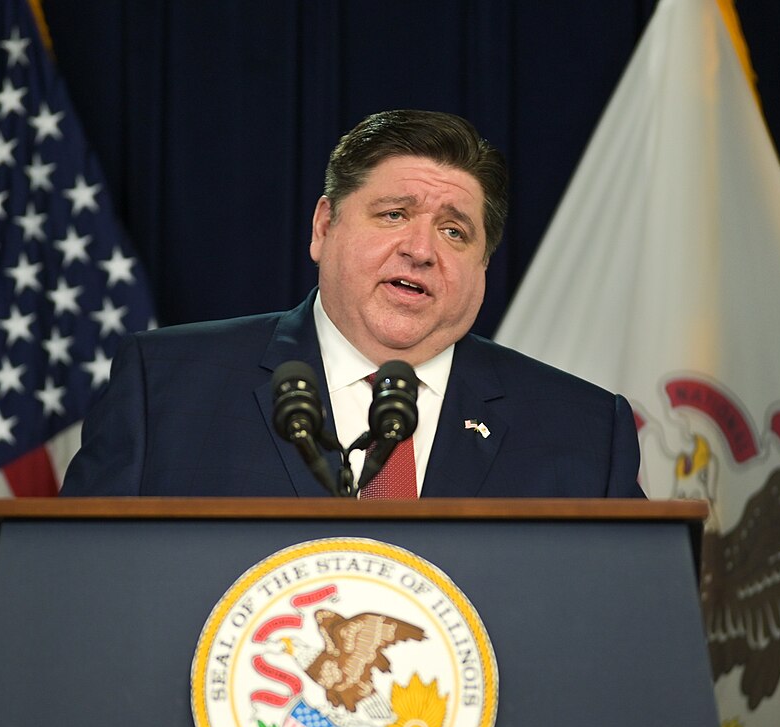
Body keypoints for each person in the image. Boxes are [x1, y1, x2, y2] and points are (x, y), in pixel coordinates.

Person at [60, 110, 643, 498]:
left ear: (483, 267)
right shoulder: (164, 389)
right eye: (393, 215)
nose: (420, 250)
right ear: (323, 227)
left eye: (455, 232)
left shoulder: (586, 434)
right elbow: (77, 592)